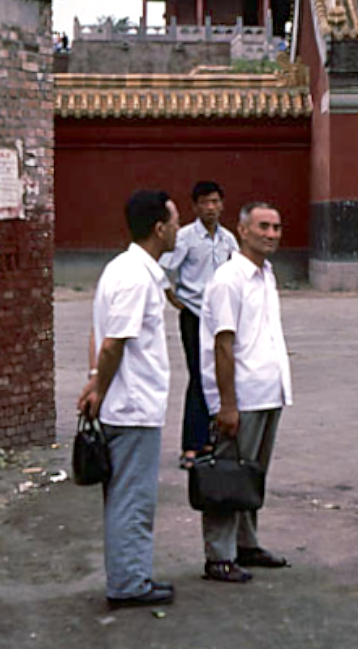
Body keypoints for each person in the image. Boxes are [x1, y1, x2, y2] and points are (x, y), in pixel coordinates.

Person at [78, 190, 180, 608]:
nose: (178, 228)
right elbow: (113, 344)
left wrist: (93, 381)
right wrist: (99, 385)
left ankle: (129, 576)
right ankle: (128, 583)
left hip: (124, 402)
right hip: (133, 407)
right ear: (158, 228)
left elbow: (97, 334)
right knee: (132, 501)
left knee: (124, 498)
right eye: (174, 221)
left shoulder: (119, 269)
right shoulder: (138, 277)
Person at [200, 202, 293, 583]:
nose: (272, 234)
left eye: (276, 227)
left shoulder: (266, 274)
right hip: (243, 394)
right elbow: (223, 344)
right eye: (264, 227)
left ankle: (246, 544)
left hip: (270, 390)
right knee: (228, 473)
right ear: (243, 231)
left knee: (252, 474)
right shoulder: (228, 279)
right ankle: (218, 556)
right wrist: (227, 404)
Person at [161, 181, 239, 470]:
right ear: (194, 206)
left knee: (218, 375)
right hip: (194, 314)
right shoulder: (185, 237)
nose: (211, 207)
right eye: (205, 202)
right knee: (197, 375)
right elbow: (163, 267)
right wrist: (173, 297)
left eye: (216, 201)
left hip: (220, 318)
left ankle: (211, 441)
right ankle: (191, 445)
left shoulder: (228, 240)